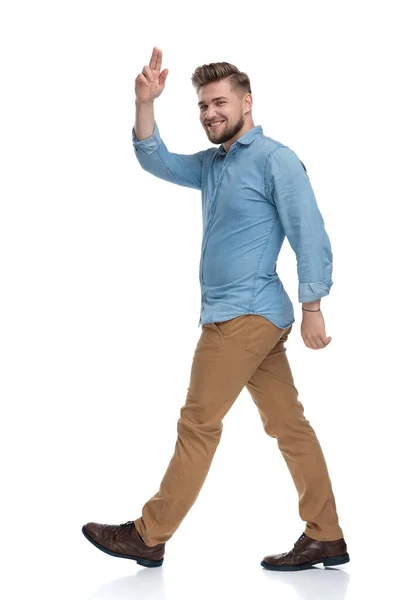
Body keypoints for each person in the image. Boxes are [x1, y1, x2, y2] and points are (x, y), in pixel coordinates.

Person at [82, 46, 350, 571]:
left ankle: (149, 533)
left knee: (198, 423)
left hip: (242, 317)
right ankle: (327, 535)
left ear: (247, 102)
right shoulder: (213, 164)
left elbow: (310, 232)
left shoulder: (275, 159)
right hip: (249, 316)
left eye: (220, 102)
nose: (210, 113)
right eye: (203, 106)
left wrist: (314, 304)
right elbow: (154, 158)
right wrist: (144, 104)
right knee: (289, 426)